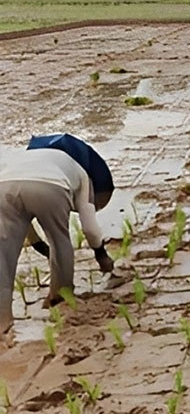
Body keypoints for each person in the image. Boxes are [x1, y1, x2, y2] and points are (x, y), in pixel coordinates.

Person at [0, 135, 115, 334]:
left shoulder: (28, 157)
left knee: (3, 254)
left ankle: (3, 320)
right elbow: (89, 227)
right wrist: (101, 255)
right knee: (60, 240)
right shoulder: (81, 173)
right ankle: (59, 300)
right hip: (51, 188)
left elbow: (24, 221)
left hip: (4, 185)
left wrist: (38, 246)